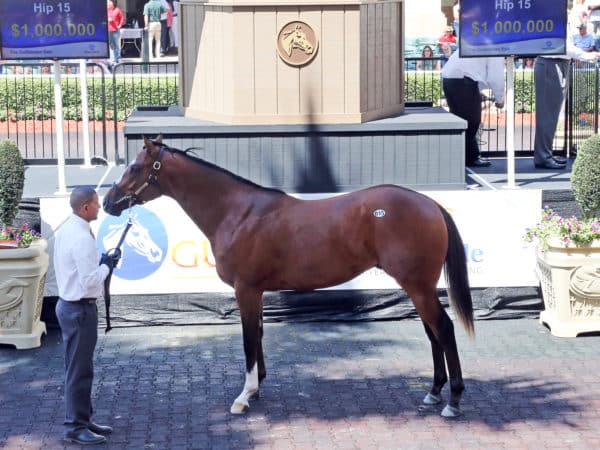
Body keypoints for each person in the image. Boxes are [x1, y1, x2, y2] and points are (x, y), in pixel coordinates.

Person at [54, 187, 120, 445]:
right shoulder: (81, 238)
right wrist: (107, 265)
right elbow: (91, 283)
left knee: (81, 369)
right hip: (79, 310)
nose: (99, 207)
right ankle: (75, 427)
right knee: (79, 371)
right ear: (85, 208)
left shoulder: (68, 228)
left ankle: (83, 418)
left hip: (69, 306)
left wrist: (102, 262)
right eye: (95, 204)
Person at [533, 26, 599, 169]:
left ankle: (545, 154)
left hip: (557, 63)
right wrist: (586, 55)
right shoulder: (552, 14)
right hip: (551, 63)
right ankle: (543, 156)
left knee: (551, 116)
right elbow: (562, 45)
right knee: (548, 116)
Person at [442, 51, 505, 167]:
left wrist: (477, 90)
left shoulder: (483, 43)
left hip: (451, 77)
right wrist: (500, 99)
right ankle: (471, 158)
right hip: (462, 79)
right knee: (472, 121)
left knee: (462, 120)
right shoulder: (497, 50)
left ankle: (464, 156)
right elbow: (495, 77)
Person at [107, 0, 125, 64]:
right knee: (108, 45)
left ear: (113, 3)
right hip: (107, 30)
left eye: (109, 2)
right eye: (107, 2)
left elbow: (122, 18)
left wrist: (120, 25)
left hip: (115, 30)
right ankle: (110, 58)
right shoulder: (105, 10)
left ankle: (117, 58)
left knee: (116, 45)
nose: (108, 3)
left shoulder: (117, 10)